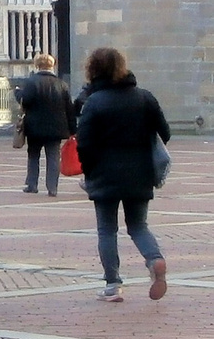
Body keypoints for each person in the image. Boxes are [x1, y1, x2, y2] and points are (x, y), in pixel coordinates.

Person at [75, 46, 171, 303]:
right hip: (140, 173)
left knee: (107, 230)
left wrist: (89, 169)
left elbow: (83, 143)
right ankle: (155, 259)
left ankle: (113, 284)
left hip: (104, 174)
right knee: (138, 226)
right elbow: (165, 132)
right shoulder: (144, 97)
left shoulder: (94, 102)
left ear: (93, 70)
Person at [16, 53, 74, 197]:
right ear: (52, 65)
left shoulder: (32, 82)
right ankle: (52, 187)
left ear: (37, 65)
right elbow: (69, 108)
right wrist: (73, 129)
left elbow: (26, 101)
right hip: (56, 127)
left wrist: (17, 93)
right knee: (53, 156)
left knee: (33, 154)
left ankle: (32, 184)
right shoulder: (62, 84)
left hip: (34, 126)